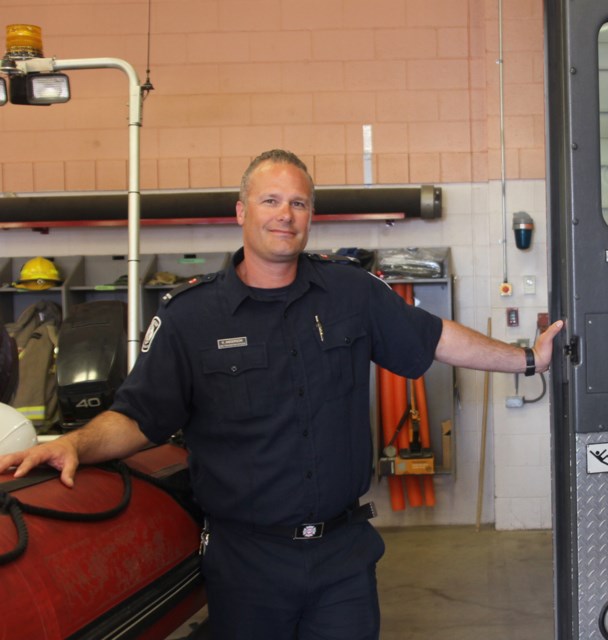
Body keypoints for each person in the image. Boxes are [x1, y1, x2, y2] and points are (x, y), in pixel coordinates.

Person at [0, 149, 564, 640]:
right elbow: (139, 417)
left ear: (311, 217)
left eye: (298, 203)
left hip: (343, 557)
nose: (285, 215)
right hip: (246, 563)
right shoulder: (190, 319)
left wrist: (525, 359)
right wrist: (76, 443)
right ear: (242, 212)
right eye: (270, 201)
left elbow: (436, 337)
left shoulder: (350, 292)